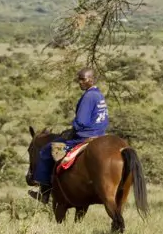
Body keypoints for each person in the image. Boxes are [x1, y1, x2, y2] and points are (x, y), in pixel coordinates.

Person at [32, 68, 109, 202]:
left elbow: (81, 121)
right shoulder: (98, 94)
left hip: (84, 136)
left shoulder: (88, 96)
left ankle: (44, 193)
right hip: (100, 133)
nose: (80, 82)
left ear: (91, 79)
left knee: (45, 151)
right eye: (79, 79)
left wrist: (73, 130)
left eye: (83, 79)